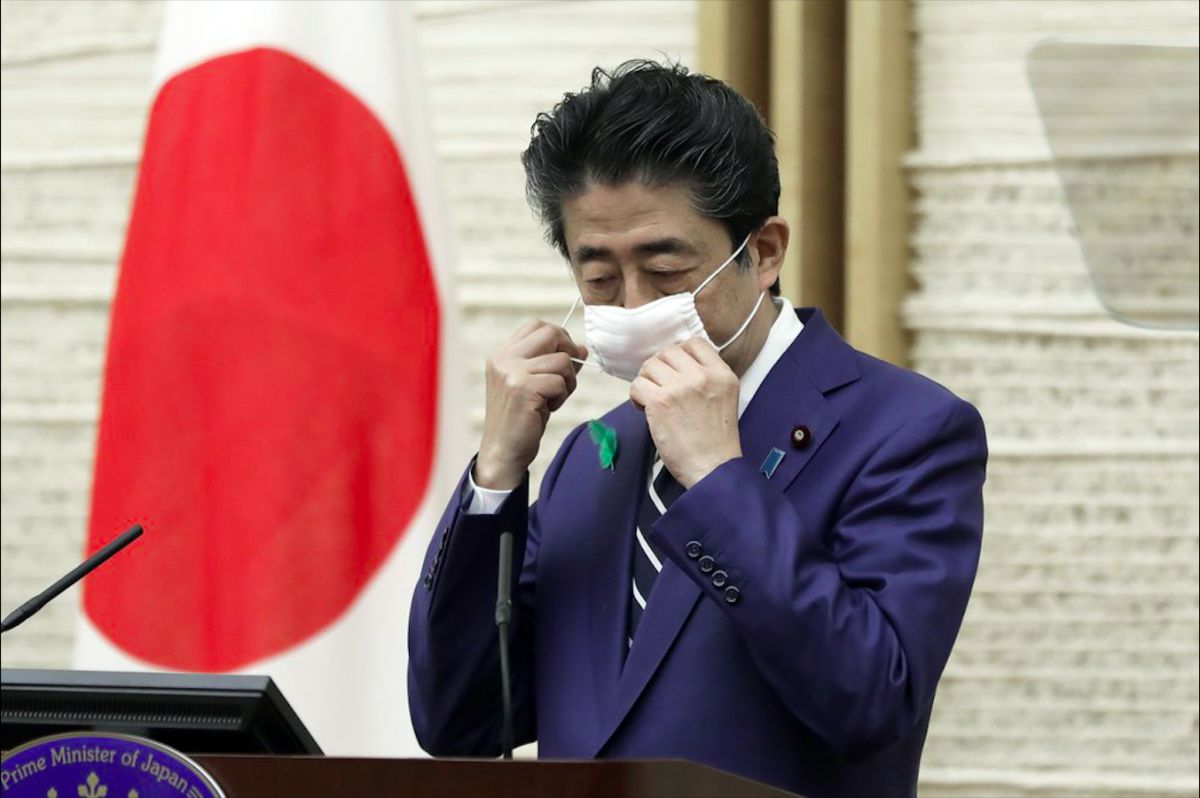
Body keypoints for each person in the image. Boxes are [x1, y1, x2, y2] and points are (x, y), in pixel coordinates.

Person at [407, 60, 987, 798]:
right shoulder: (591, 455)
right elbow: (458, 718)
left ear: (765, 252)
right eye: (600, 278)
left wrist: (719, 479)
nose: (635, 301)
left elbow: (873, 700)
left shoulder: (907, 430)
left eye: (666, 267)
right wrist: (495, 477)